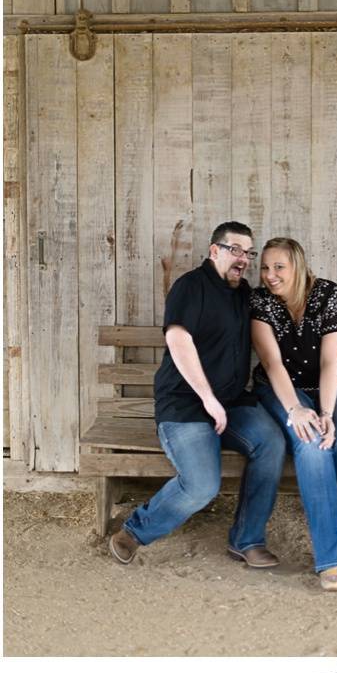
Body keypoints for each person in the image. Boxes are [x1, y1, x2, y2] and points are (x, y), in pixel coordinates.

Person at [109, 222, 286, 568]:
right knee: (202, 485)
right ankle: (133, 532)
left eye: (248, 253)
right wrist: (208, 399)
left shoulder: (243, 294)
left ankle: (246, 539)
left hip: (232, 404)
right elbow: (178, 340)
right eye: (235, 250)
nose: (243, 259)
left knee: (272, 442)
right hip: (186, 406)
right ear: (214, 250)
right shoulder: (190, 287)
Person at [250, 237, 337, 592]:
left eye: (279, 267)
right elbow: (272, 364)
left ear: (297, 266)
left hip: (335, 387)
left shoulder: (327, 293)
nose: (270, 275)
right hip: (282, 391)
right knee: (310, 443)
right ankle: (331, 557)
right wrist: (297, 410)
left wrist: (327, 412)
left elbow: (330, 362)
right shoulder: (260, 301)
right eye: (265, 267)